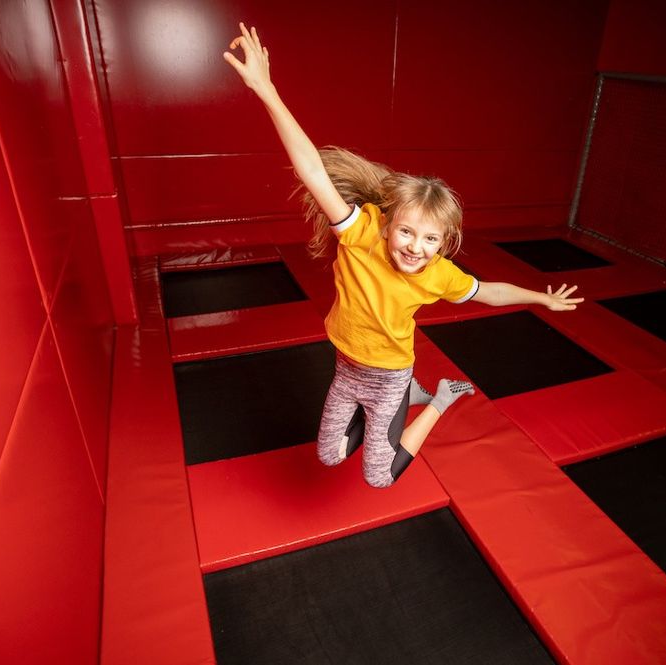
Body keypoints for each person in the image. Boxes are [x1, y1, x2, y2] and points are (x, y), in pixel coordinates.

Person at [224, 23, 583, 488]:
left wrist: (542, 298)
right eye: (407, 232)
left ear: (445, 243)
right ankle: (411, 398)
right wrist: (267, 90)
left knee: (378, 477)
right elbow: (312, 169)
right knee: (330, 457)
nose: (415, 247)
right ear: (388, 222)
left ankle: (436, 401)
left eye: (430, 239)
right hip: (347, 369)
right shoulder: (361, 234)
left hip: (390, 375)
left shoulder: (439, 274)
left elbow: (488, 292)